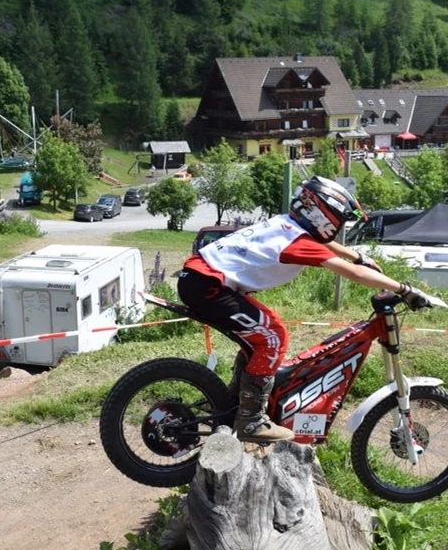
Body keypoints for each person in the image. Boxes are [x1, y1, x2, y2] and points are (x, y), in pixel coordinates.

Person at [177, 176, 428, 443]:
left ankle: (232, 403)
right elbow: (352, 274)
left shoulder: (287, 224)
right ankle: (251, 421)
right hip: (210, 287)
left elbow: (327, 246)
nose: (339, 227)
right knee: (273, 336)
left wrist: (358, 255)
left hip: (200, 279)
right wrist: (404, 289)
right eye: (339, 221)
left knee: (260, 335)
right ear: (323, 216)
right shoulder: (297, 243)